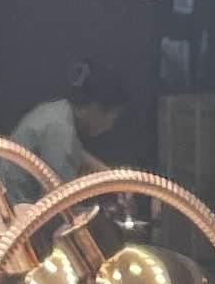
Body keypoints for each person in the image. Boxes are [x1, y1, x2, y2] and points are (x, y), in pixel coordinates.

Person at [8, 63, 129, 191]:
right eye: (113, 118)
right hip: (22, 203)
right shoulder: (61, 133)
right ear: (96, 108)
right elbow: (60, 199)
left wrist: (110, 177)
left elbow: (76, 152)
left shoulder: (58, 111)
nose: (110, 126)